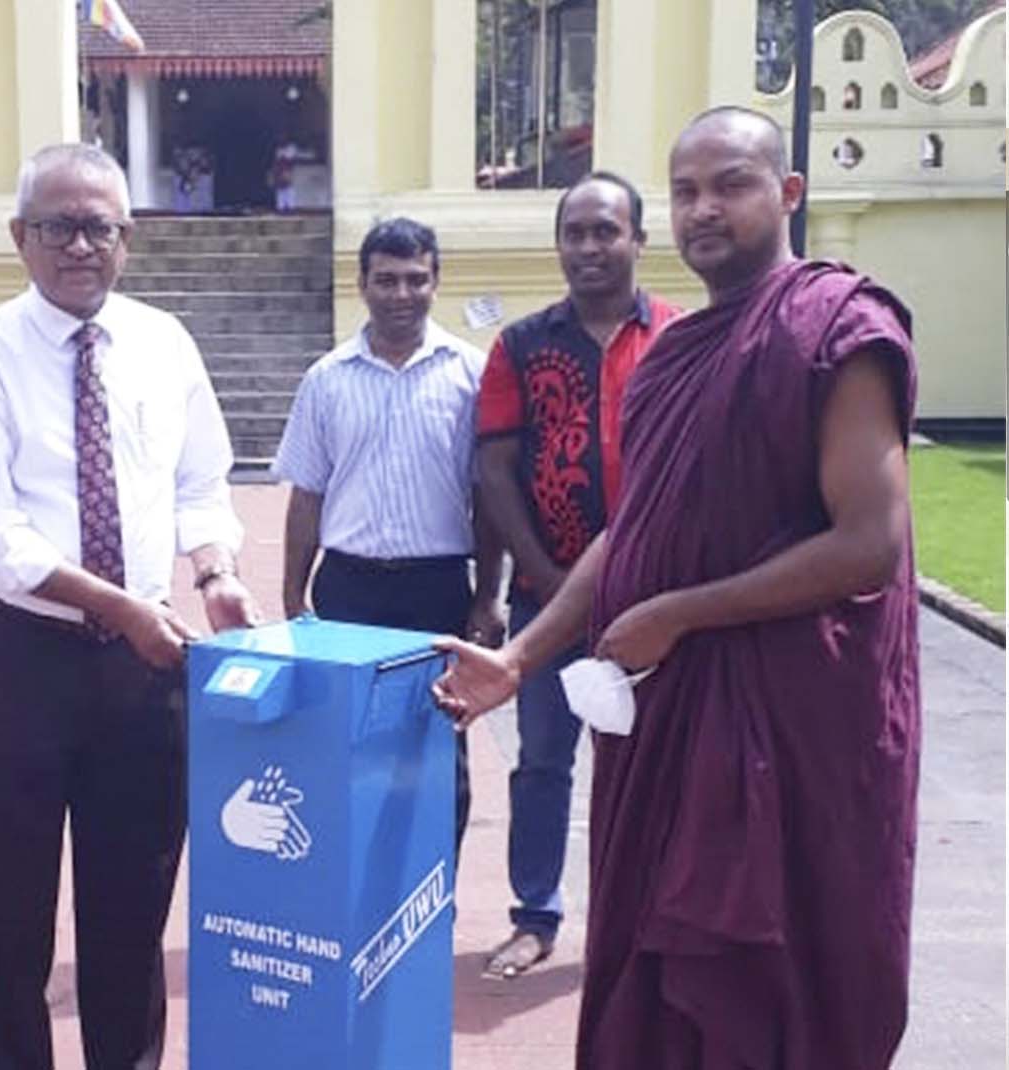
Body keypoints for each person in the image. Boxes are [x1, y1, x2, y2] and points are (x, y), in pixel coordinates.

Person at [434, 106, 920, 1068]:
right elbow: (634, 529)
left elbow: (870, 543)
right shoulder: (675, 361)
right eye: (687, 189)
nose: (705, 208)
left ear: (787, 193)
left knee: (773, 979)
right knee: (657, 979)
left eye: (731, 184)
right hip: (674, 723)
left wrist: (679, 613)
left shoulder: (836, 328)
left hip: (790, 725)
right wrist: (521, 656)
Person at [0, 142, 260, 1070]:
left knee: (133, 898)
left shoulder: (165, 342)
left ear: (130, 235)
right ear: (20, 238)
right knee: (11, 910)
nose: (80, 246)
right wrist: (120, 607)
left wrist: (216, 571)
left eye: (100, 227)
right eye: (58, 227)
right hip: (21, 657)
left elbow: (202, 480)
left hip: (144, 663)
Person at [473, 173, 679, 978]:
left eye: (607, 232)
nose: (590, 247)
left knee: (654, 761)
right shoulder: (522, 345)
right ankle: (536, 915)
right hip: (546, 594)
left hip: (659, 598)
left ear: (637, 241)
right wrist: (541, 574)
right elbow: (492, 470)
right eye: (576, 233)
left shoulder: (679, 336)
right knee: (543, 760)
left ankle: (647, 916)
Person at [273, 215, 504, 860]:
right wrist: (293, 594)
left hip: (436, 590)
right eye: (386, 280)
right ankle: (352, 890)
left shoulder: (470, 373)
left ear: (436, 282)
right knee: (344, 742)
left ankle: (433, 892)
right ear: (362, 284)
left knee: (438, 744)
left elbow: (487, 498)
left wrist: (488, 596)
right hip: (349, 588)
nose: (401, 294)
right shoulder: (327, 379)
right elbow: (308, 492)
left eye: (415, 280)